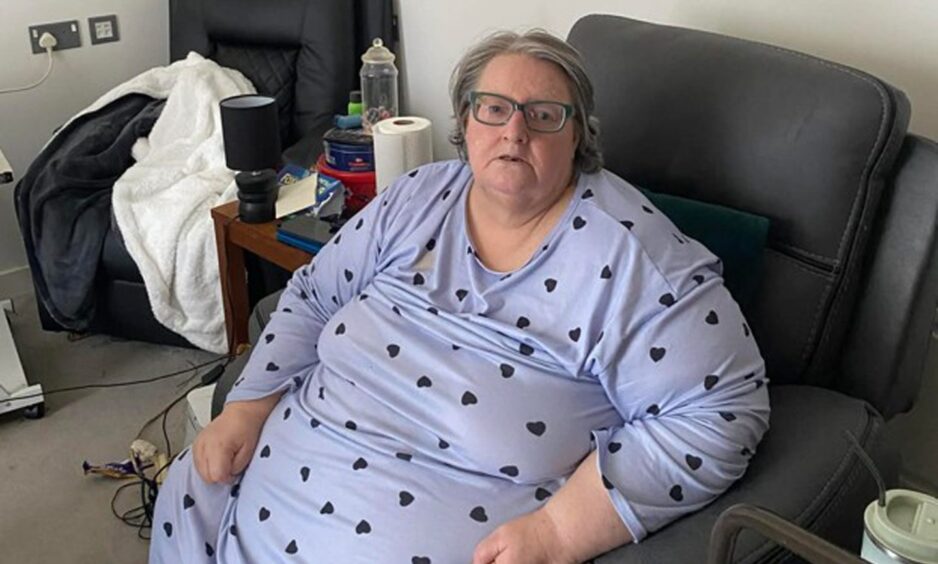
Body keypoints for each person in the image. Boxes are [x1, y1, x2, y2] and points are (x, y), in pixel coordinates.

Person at [150, 29, 769, 563]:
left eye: (543, 114)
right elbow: (314, 295)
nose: (514, 131)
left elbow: (722, 413)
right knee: (191, 480)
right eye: (493, 109)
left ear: (578, 135)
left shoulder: (632, 258)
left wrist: (558, 532)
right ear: (465, 122)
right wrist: (249, 406)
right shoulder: (415, 196)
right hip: (266, 481)